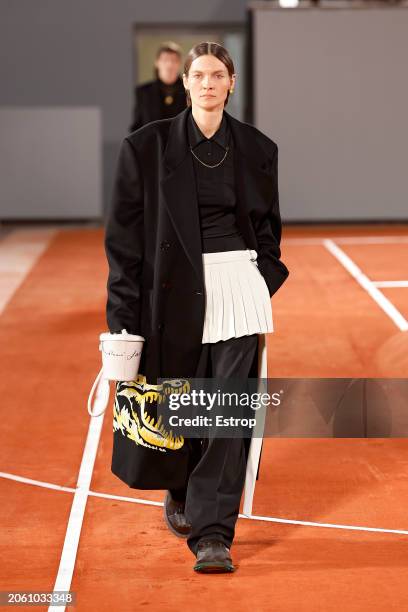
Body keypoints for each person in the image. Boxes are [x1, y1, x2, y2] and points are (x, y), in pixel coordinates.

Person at [104, 41, 289, 574]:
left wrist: (262, 278)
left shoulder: (258, 148)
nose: (208, 83)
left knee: (227, 410)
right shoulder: (146, 147)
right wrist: (123, 314)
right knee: (182, 403)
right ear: (184, 84)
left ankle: (212, 533)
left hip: (239, 288)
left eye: (217, 75)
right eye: (198, 75)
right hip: (173, 291)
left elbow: (270, 228)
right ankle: (181, 487)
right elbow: (124, 240)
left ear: (231, 84)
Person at [129, 41, 186, 132]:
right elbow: (137, 126)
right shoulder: (144, 92)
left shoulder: (189, 91)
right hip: (152, 144)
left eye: (174, 60)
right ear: (157, 63)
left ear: (179, 64)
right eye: (165, 60)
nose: (169, 65)